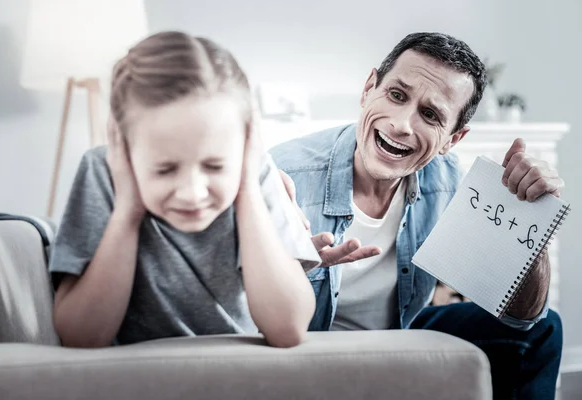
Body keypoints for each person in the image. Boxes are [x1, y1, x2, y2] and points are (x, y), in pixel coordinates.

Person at [270, 32, 563, 398]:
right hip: (308, 350)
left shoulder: (452, 184)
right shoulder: (282, 174)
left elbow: (523, 318)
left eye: (430, 114)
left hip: (398, 337)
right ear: (368, 89)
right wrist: (281, 271)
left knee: (545, 327)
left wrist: (532, 219)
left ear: (452, 141)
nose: (401, 124)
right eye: (396, 95)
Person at [49, 31, 317, 349]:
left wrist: (247, 190)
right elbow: (82, 335)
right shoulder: (103, 171)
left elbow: (288, 329)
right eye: (165, 169)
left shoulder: (255, 173)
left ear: (247, 143)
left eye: (215, 167)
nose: (192, 193)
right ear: (124, 148)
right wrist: (127, 211)